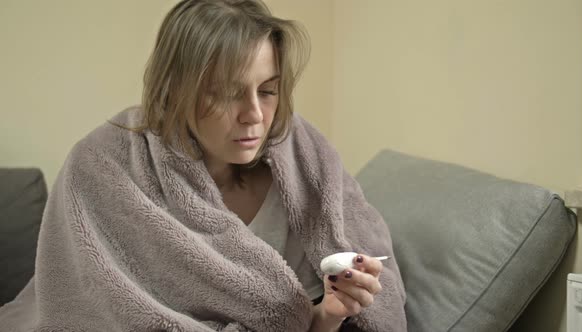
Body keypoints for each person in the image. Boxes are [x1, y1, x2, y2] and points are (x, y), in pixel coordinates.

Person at [0, 1, 406, 331]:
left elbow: (316, 320)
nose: (254, 115)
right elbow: (89, 309)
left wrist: (330, 314)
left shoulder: (307, 161)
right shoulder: (103, 165)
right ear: (175, 90)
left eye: (268, 91)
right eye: (228, 94)